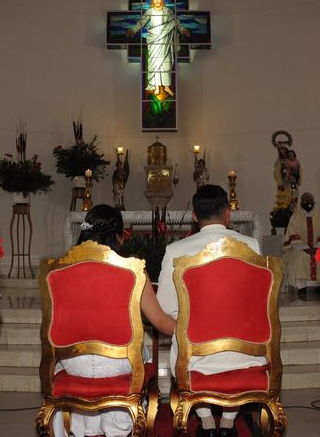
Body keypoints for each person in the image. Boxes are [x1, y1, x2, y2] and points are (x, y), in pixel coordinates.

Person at [53, 204, 176, 437]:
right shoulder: (133, 270)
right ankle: (115, 426)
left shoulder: (60, 270)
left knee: (74, 363)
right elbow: (160, 322)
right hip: (119, 362)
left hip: (74, 362)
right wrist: (190, 327)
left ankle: (86, 428)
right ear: (120, 235)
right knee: (142, 353)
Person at [156, 185, 263, 437]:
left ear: (194, 216)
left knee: (182, 333)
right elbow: (258, 304)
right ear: (228, 214)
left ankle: (206, 424)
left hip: (196, 359)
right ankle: (227, 424)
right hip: (245, 355)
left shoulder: (176, 251)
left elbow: (165, 310)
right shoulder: (251, 245)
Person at [126, 0, 189, 97]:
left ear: (162, 1)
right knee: (154, 63)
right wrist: (133, 30)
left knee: (166, 64)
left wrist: (183, 30)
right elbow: (141, 22)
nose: (157, 1)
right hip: (154, 42)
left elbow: (176, 22)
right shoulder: (149, 12)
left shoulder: (168, 11)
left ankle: (167, 87)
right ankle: (155, 87)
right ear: (152, 1)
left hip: (166, 42)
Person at [283, 192, 320, 291]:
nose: (308, 202)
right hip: (300, 249)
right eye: (305, 201)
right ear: (301, 203)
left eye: (310, 200)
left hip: (318, 249)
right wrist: (306, 248)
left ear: (314, 202)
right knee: (300, 256)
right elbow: (292, 234)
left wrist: (317, 247)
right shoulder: (295, 217)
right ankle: (301, 286)